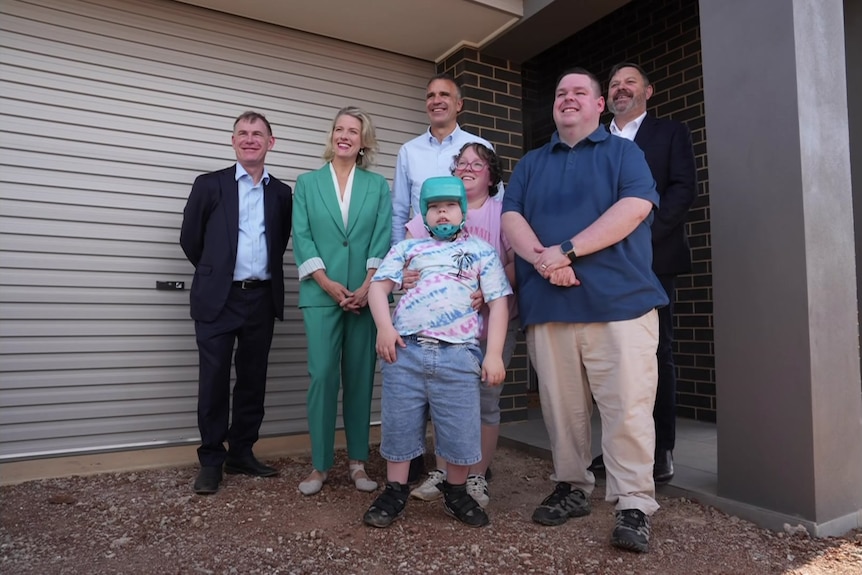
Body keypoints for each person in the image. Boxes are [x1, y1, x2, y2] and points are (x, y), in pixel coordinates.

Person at [501, 68, 668, 553]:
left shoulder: (624, 152)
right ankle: (572, 487)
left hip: (621, 305)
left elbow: (635, 207)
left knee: (627, 409)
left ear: (599, 105)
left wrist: (567, 251)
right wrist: (543, 261)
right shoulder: (532, 162)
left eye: (579, 92)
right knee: (561, 410)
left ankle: (634, 502)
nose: (567, 99)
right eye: (560, 93)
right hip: (550, 306)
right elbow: (512, 216)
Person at [362, 176, 511, 529]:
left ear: (463, 211)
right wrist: (385, 327)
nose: (441, 213)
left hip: (458, 355)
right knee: (399, 425)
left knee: (460, 428)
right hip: (406, 351)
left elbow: (499, 304)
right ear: (422, 215)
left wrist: (493, 355)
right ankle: (395, 489)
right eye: (433, 207)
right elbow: (377, 290)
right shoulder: (407, 249)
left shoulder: (481, 251)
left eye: (449, 206)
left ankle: (456, 490)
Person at [589, 63, 698, 485]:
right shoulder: (593, 141)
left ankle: (660, 449)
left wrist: (640, 237)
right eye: (613, 84)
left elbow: (683, 189)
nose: (621, 89)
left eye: (629, 82)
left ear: (647, 91)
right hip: (599, 262)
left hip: (653, 259)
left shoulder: (671, 134)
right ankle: (615, 448)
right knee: (606, 355)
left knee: (655, 353)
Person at [180, 110, 293, 495]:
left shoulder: (281, 193)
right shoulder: (209, 186)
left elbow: (279, 241)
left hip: (260, 298)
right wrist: (216, 271)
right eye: (242, 133)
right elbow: (190, 239)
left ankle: (241, 452)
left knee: (252, 380)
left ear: (270, 142)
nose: (249, 139)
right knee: (213, 381)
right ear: (233, 141)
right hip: (219, 299)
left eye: (257, 133)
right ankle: (211, 460)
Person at [404, 143, 518, 508]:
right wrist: (405, 278)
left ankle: (476, 477)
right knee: (444, 400)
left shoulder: (504, 213)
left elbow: (517, 263)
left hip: (491, 326)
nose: (468, 168)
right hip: (441, 331)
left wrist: (489, 289)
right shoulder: (435, 213)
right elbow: (407, 259)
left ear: (491, 174)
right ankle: (442, 473)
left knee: (485, 401)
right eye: (462, 162)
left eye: (478, 163)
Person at [291, 106, 392, 496]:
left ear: (363, 140)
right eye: (339, 128)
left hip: (366, 297)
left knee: (360, 378)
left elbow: (381, 237)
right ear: (331, 135)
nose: (344, 135)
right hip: (321, 295)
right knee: (322, 377)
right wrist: (328, 283)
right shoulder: (307, 183)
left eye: (353, 130)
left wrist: (369, 285)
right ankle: (319, 466)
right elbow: (302, 238)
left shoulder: (377, 185)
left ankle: (357, 462)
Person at [391, 73, 497, 245]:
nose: (436, 100)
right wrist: (400, 258)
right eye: (430, 96)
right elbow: (399, 212)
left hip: (474, 254)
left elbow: (496, 202)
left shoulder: (480, 148)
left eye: (444, 95)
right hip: (423, 256)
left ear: (459, 104)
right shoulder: (408, 151)